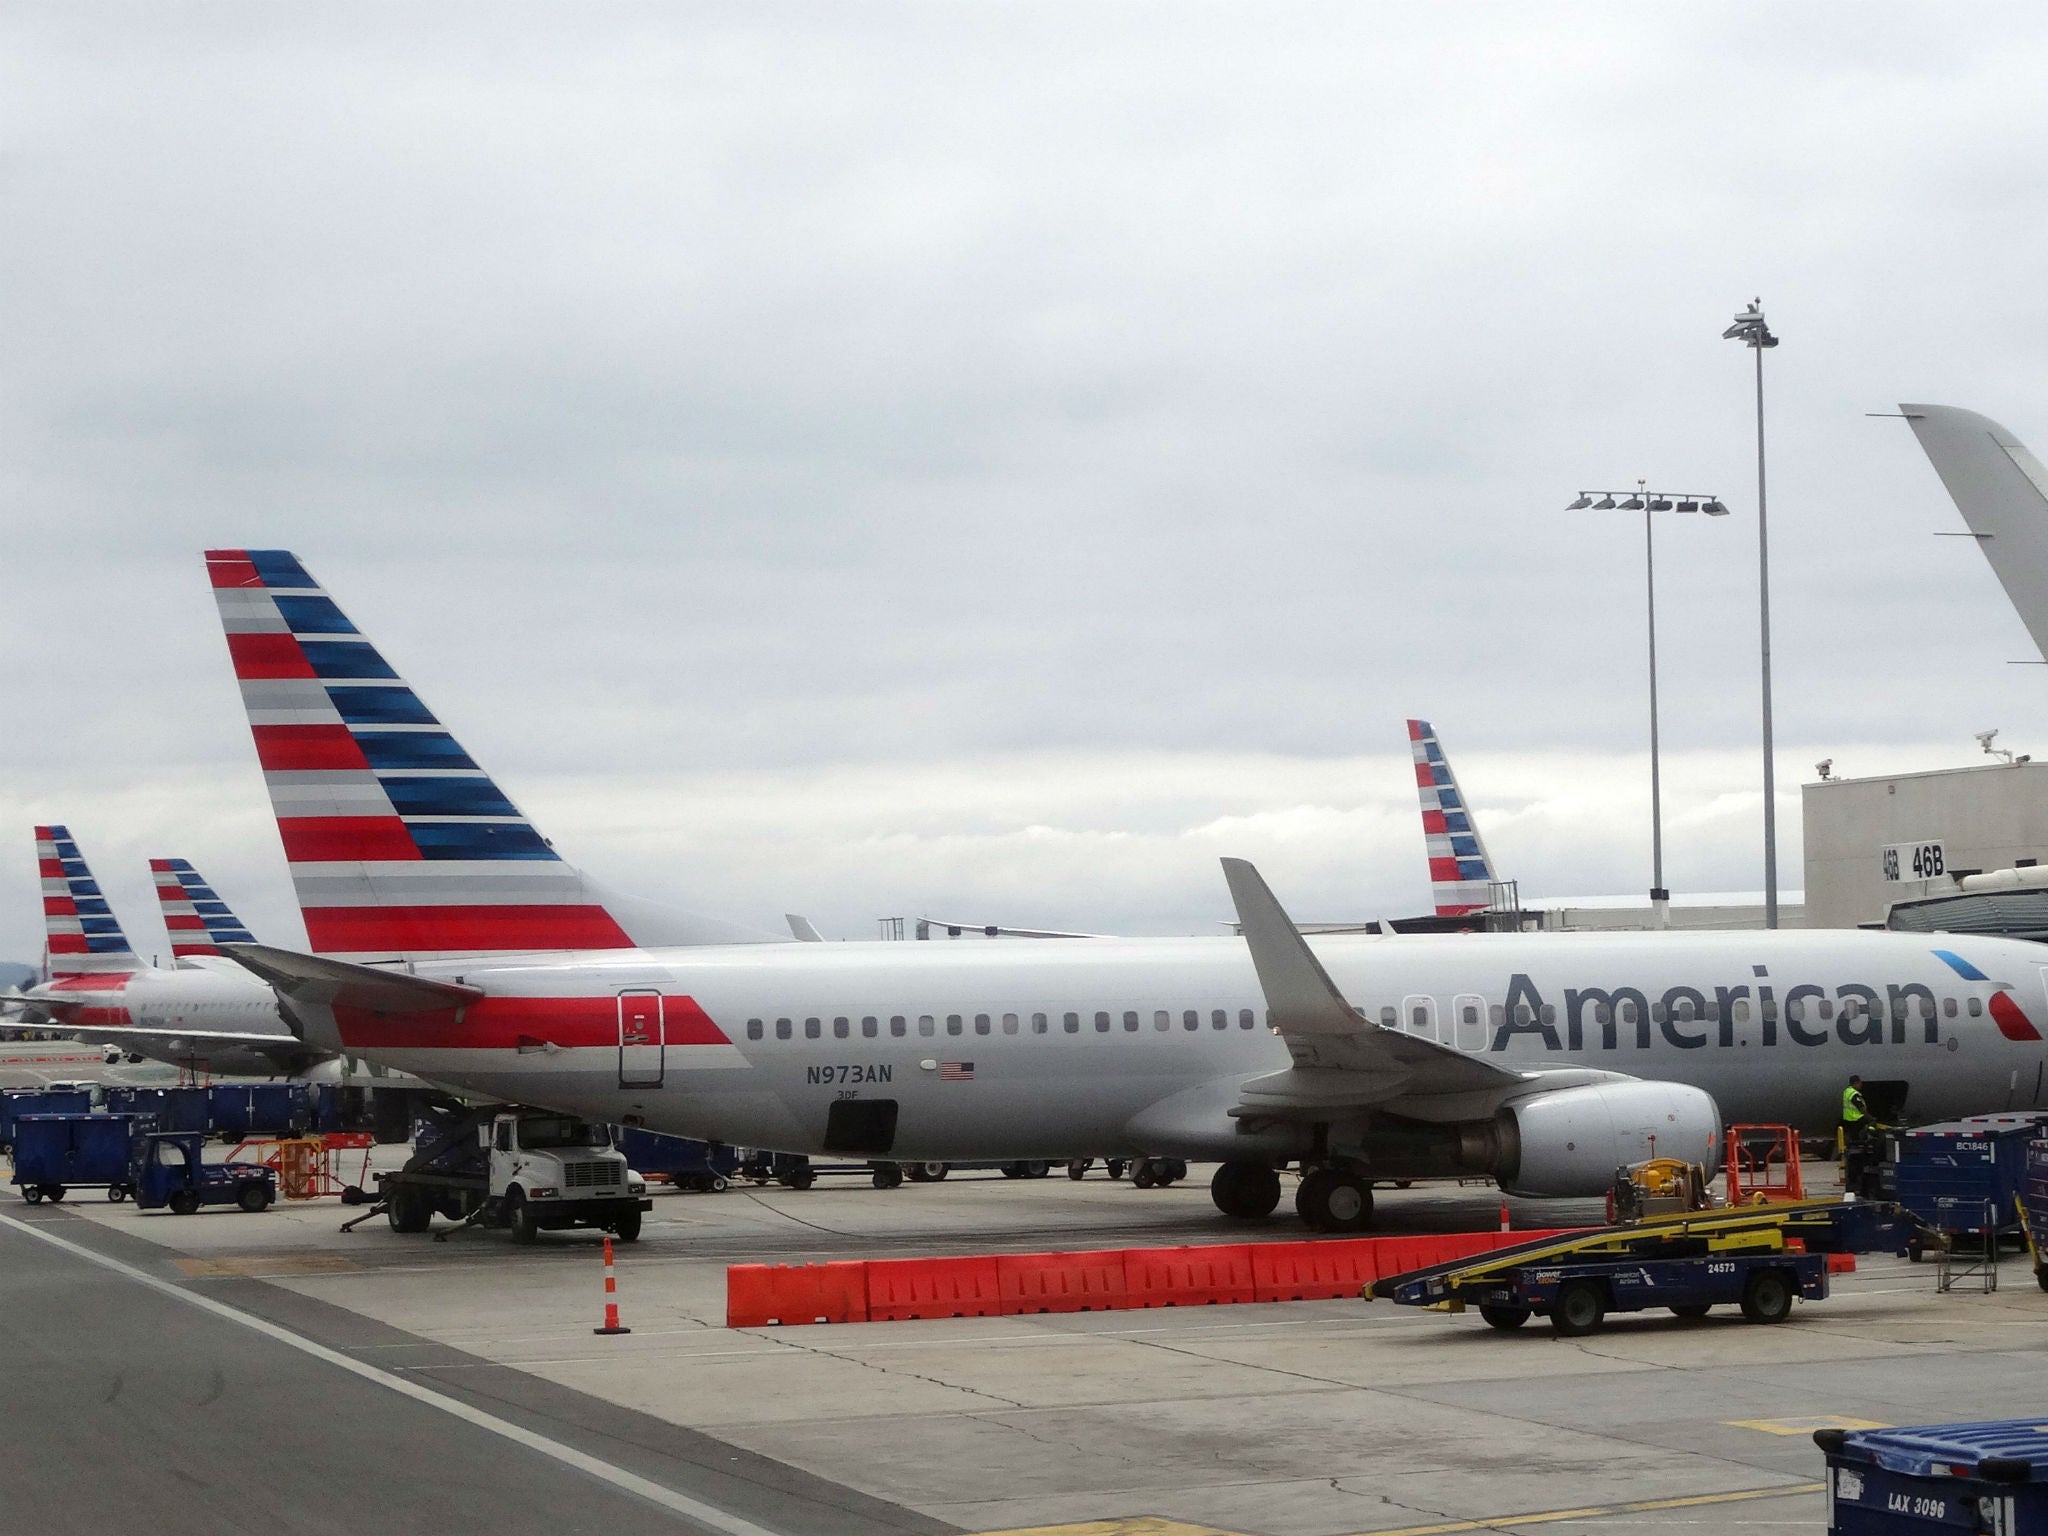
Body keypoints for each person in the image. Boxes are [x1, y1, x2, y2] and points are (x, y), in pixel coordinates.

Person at [1840, 1074, 1870, 1149]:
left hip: (1848, 1119)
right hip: (1855, 1119)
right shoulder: (1854, 1094)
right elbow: (1861, 1108)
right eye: (1860, 1083)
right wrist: (1870, 1118)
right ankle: (1869, 1141)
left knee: (1854, 1137)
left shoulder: (1847, 1091)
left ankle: (1856, 1148)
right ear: (1855, 1083)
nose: (1861, 1085)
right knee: (1872, 1123)